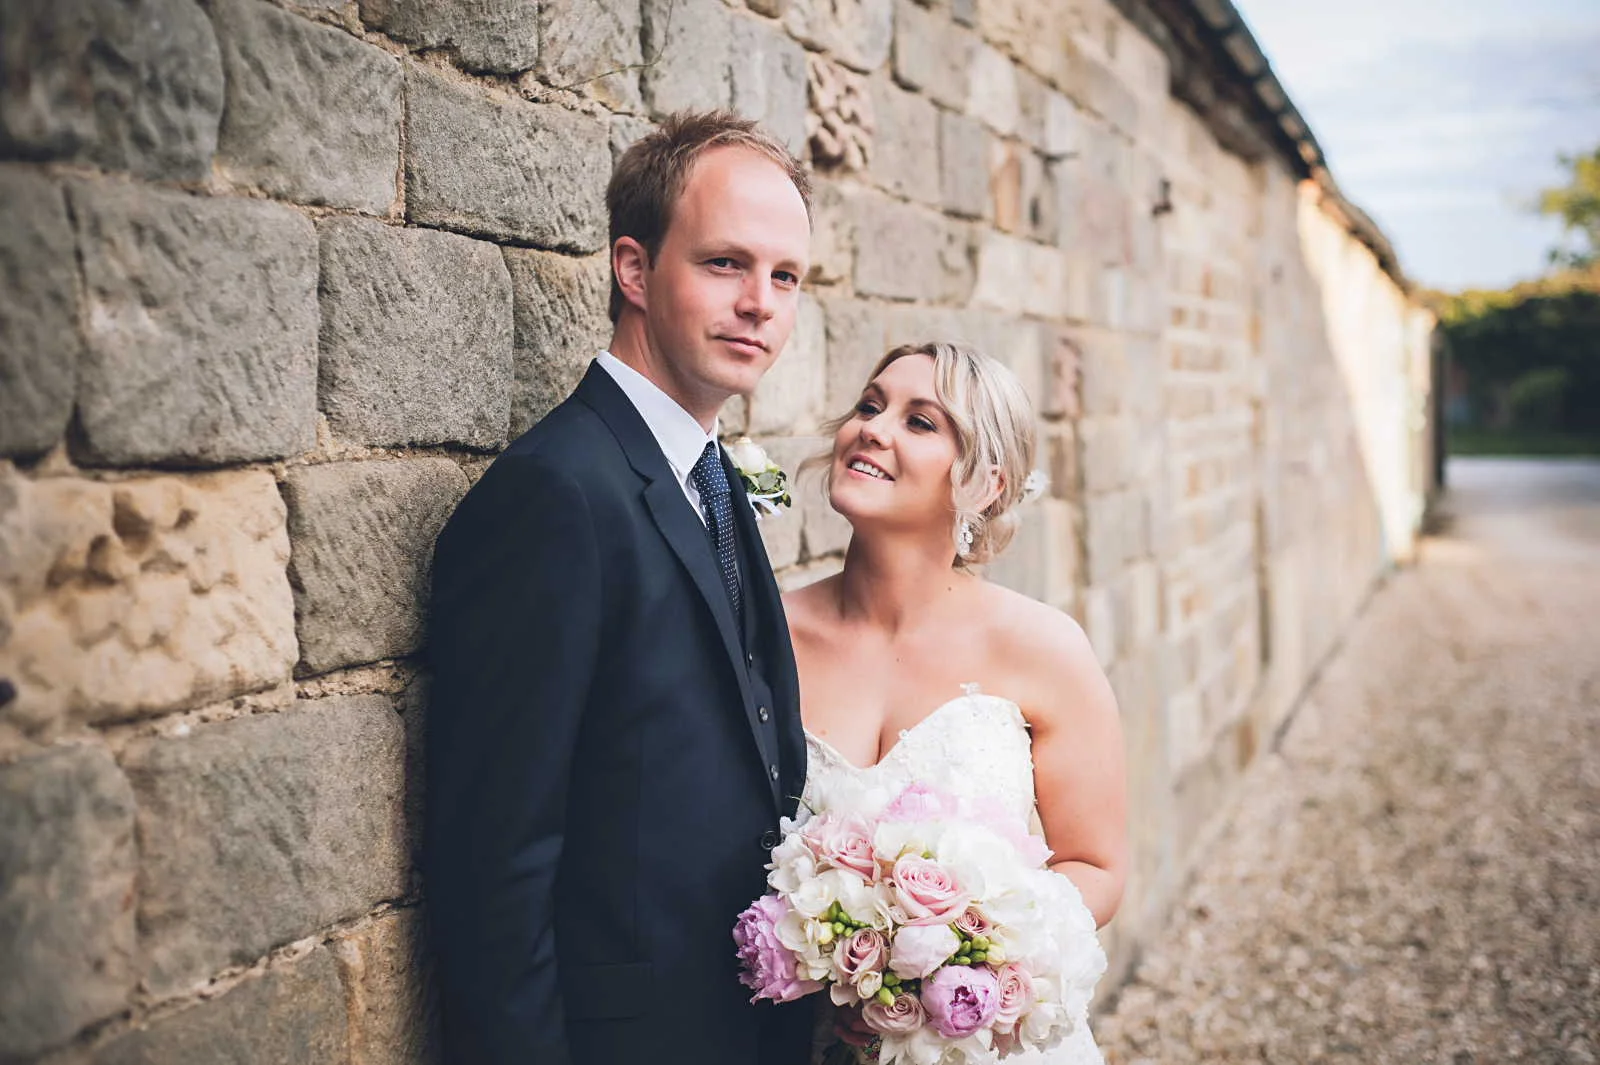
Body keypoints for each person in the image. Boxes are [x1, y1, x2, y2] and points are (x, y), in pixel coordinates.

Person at [424, 111, 814, 1065]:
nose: (760, 303)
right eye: (725, 264)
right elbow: (494, 863)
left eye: (786, 276)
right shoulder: (555, 493)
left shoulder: (712, 477)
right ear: (633, 270)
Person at [783, 342, 1129, 1064]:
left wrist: (967, 966)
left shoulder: (1043, 647)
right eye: (870, 406)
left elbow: (1095, 865)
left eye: (919, 422)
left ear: (983, 483)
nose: (873, 428)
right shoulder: (769, 638)